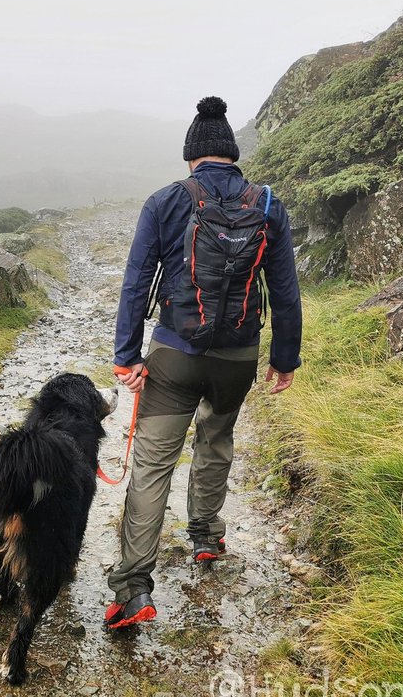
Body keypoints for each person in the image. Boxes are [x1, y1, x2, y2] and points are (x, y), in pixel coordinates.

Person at [103, 95, 302, 629]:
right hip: (237, 356)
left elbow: (136, 282)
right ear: (231, 156)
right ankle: (207, 537)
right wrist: (285, 359)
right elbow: (284, 289)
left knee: (151, 464)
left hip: (175, 356)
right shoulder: (267, 205)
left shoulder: (165, 201)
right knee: (215, 440)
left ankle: (133, 590)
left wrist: (126, 356)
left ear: (192, 156)